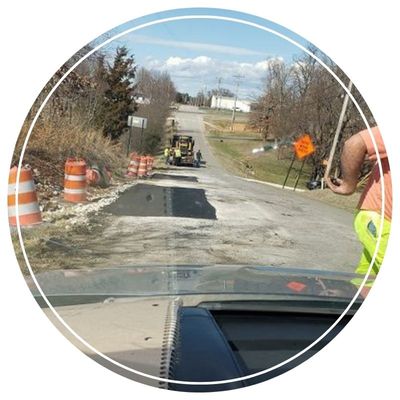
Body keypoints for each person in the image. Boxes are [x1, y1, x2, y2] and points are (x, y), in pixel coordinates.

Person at [325, 126, 392, 292]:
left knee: (367, 282)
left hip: (382, 222)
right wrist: (348, 185)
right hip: (381, 219)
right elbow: (355, 144)